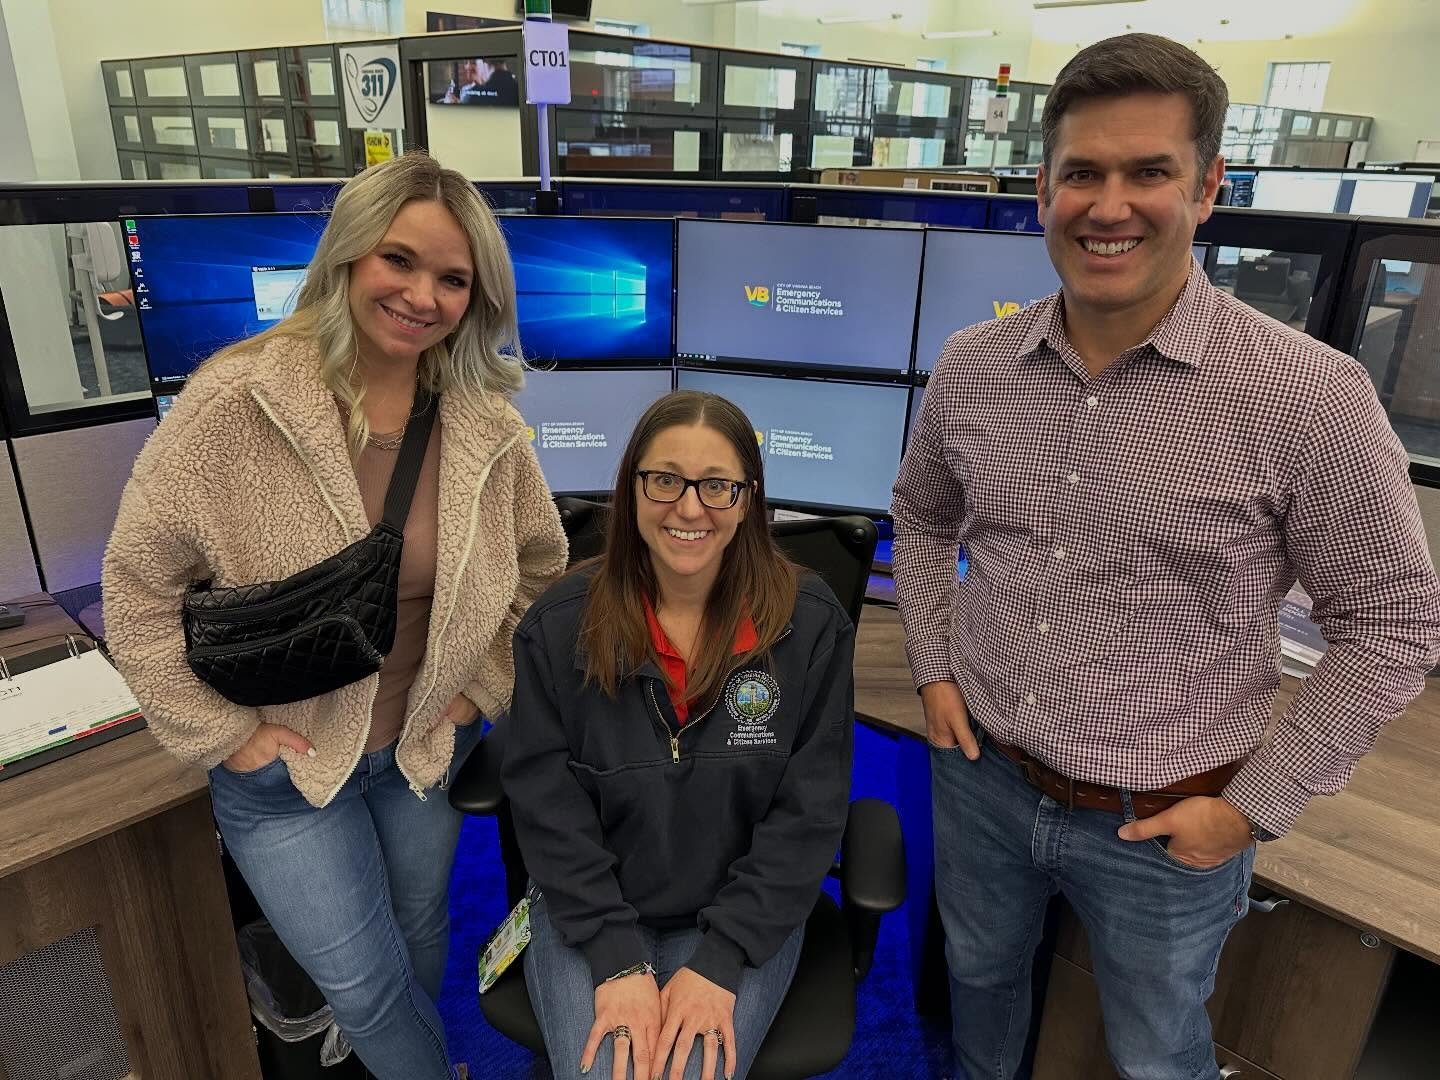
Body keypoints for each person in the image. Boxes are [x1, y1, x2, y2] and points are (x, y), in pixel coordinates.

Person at [891, 33, 1440, 1080]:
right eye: (1082, 173)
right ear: (1042, 189)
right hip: (984, 779)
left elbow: (1396, 626)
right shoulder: (974, 366)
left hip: (1167, 817)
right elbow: (921, 516)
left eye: (1150, 172)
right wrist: (934, 663)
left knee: (1156, 1049)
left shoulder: (1305, 396)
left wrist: (1253, 808)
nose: (1110, 205)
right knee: (979, 981)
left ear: (1208, 189)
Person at [102, 151, 569, 1080]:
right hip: (284, 770)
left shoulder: (482, 420)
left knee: (420, 936)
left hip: (421, 751)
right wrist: (220, 733)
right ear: (350, 256)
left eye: (452, 278)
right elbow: (136, 588)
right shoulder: (235, 405)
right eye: (399, 260)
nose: (420, 295)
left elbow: (539, 569)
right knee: (360, 982)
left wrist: (478, 690)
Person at [503, 391, 855, 1080]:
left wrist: (721, 962)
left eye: (717, 486)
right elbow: (549, 810)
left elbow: (809, 815)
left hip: (740, 914)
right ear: (631, 486)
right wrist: (615, 957)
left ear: (750, 498)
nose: (689, 508)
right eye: (664, 480)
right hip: (592, 908)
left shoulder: (809, 626)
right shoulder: (558, 624)